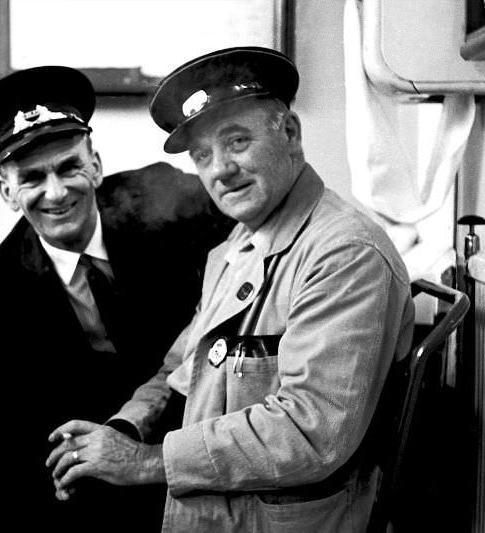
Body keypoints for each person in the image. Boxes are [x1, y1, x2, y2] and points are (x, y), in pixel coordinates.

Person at [46, 46, 416, 533]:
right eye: (203, 155)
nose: (218, 169)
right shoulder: (241, 240)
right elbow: (182, 366)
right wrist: (122, 428)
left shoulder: (344, 254)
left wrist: (145, 462)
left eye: (237, 141)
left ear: (289, 133)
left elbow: (310, 431)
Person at [0, 66, 232, 532]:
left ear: (96, 166)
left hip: (209, 440)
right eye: (32, 178)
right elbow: (24, 426)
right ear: (7, 192)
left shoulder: (175, 200)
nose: (56, 192)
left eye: (69, 167)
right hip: (99, 485)